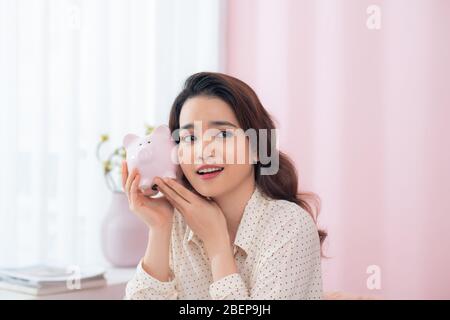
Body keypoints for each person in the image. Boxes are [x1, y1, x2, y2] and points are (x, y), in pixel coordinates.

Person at [123, 72, 325, 300]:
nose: (203, 151)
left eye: (223, 134)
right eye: (189, 138)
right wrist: (159, 228)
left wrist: (218, 247)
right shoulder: (178, 223)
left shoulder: (288, 225)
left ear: (258, 148)